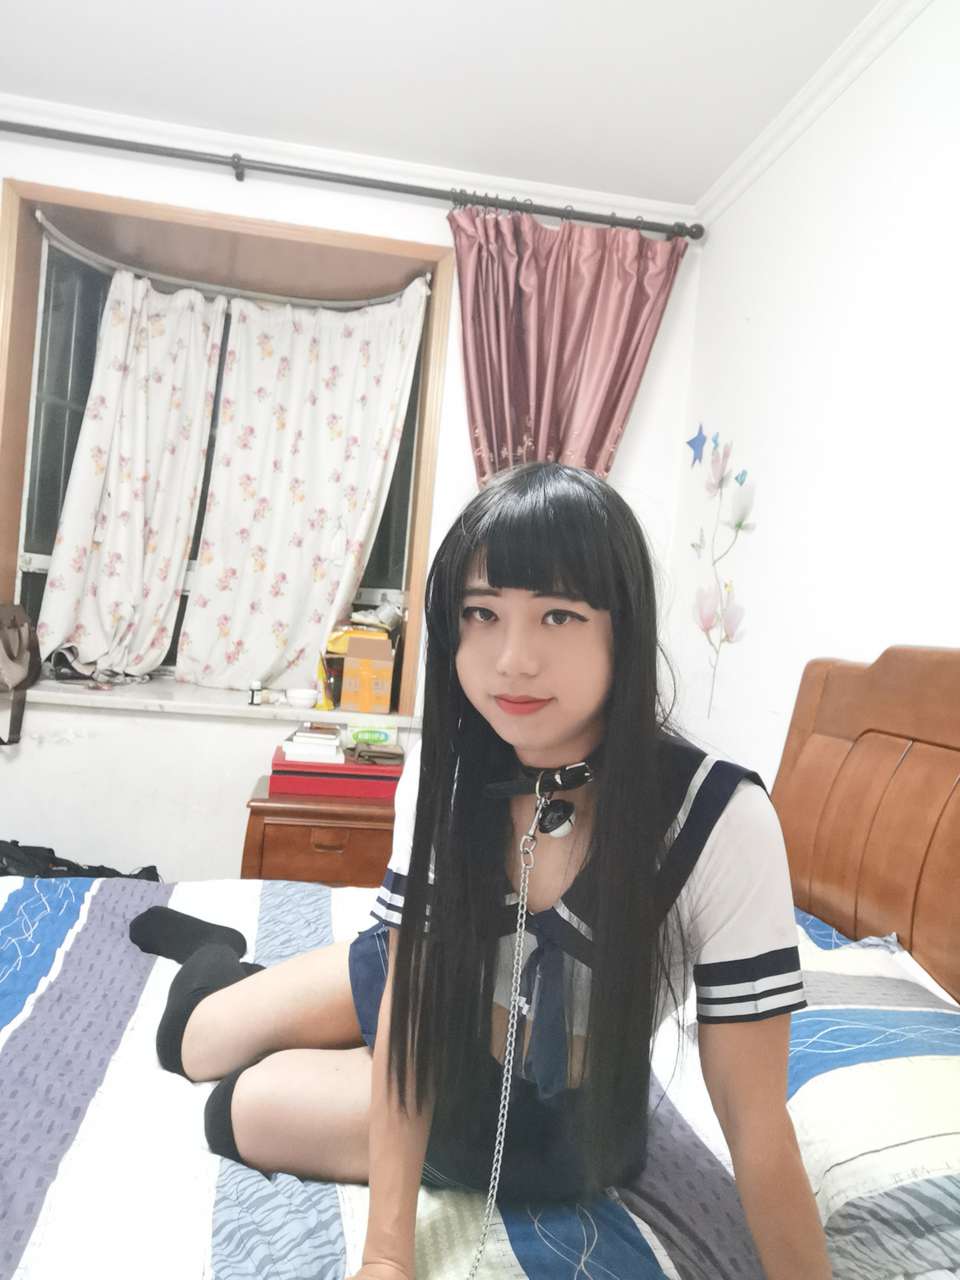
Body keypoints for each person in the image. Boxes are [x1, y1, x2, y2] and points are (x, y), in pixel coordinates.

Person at [134, 462, 833, 1279]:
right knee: (193, 1044)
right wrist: (386, 1256)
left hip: (534, 1114)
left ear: (625, 627)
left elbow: (755, 1123)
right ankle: (216, 956)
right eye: (482, 613)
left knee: (235, 1109)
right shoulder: (452, 773)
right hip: (420, 990)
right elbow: (411, 1010)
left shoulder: (717, 820)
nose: (512, 659)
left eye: (559, 615)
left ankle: (301, 1021)